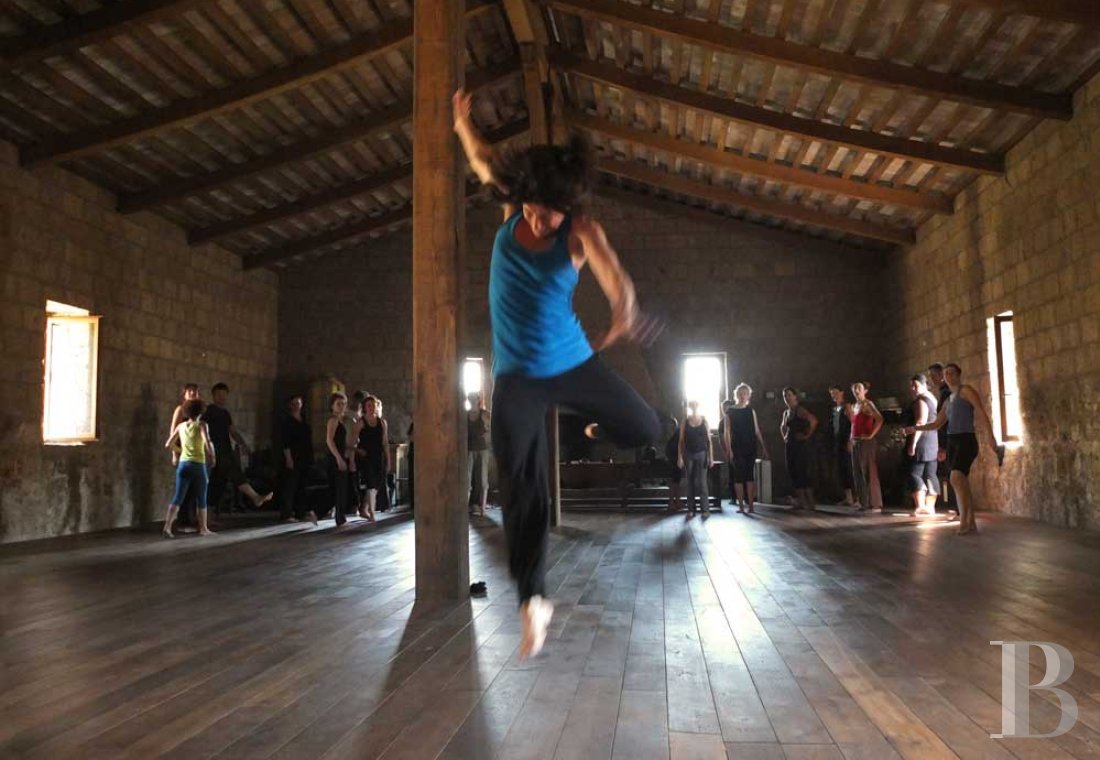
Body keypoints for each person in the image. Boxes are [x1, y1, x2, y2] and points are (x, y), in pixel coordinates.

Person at [454, 87, 661, 660]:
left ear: (567, 206)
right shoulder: (511, 209)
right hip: (518, 378)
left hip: (573, 365)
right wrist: (461, 123)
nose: (536, 217)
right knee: (521, 485)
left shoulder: (580, 233)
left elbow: (619, 283)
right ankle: (532, 600)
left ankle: (594, 427)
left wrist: (623, 318)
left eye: (548, 210)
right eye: (530, 206)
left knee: (647, 429)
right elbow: (483, 161)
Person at [906, 363, 1002, 535]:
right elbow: (937, 423)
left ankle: (966, 522)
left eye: (951, 373)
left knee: (956, 477)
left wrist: (990, 436)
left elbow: (980, 412)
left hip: (966, 439)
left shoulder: (966, 391)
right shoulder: (948, 399)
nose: (949, 376)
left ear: (958, 374)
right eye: (946, 373)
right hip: (953, 441)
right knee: (959, 482)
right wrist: (916, 429)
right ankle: (969, 522)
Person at [201, 383, 272, 511]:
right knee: (234, 474)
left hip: (226, 449)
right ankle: (255, 497)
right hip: (214, 450)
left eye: (224, 395)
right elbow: (202, 429)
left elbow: (232, 431)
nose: (222, 398)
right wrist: (207, 449)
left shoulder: (225, 413)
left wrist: (242, 444)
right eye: (219, 395)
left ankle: (210, 514)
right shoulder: (209, 411)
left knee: (219, 482)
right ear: (213, 396)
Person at [163, 399, 215, 537]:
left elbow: (168, 445)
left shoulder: (181, 426)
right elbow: (207, 442)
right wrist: (212, 456)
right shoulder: (202, 425)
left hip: (183, 464)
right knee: (201, 497)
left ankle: (167, 526)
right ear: (201, 411)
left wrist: (181, 450)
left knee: (178, 497)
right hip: (198, 465)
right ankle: (203, 529)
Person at [722, 383, 769, 514]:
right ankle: (741, 506)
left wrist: (764, 447)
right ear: (736, 395)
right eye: (740, 393)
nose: (743, 396)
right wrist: (729, 449)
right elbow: (727, 432)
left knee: (749, 477)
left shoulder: (750, 411)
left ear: (749, 395)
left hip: (750, 447)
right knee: (738, 477)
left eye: (745, 393)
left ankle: (751, 506)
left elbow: (757, 430)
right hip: (737, 447)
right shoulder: (730, 411)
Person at [279, 395, 317, 524]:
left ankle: (300, 513)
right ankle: (286, 513)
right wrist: (289, 459)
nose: (296, 405)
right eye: (294, 403)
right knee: (290, 486)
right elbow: (286, 442)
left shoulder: (304, 420)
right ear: (290, 405)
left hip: (304, 457)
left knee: (302, 486)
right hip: (293, 457)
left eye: (298, 403)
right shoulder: (287, 422)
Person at [168, 383, 201, 531]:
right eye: (190, 391)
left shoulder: (198, 411)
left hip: (195, 454)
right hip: (183, 451)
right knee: (184, 488)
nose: (193, 393)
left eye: (195, 391)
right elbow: (173, 431)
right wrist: (175, 454)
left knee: (194, 487)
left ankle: (191, 519)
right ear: (185, 394)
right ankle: (182, 521)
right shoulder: (180, 410)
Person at [907, 374, 939, 516]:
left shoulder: (921, 401)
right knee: (930, 473)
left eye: (916, 385)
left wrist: (913, 443)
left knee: (915, 473)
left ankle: (921, 506)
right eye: (912, 385)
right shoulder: (933, 398)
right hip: (933, 440)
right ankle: (930, 506)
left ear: (924, 384)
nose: (913, 388)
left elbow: (921, 422)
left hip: (922, 441)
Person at [780, 387, 818, 510]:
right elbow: (782, 427)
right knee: (794, 472)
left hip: (801, 446)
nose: (787, 398)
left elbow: (813, 421)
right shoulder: (786, 412)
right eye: (785, 396)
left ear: (795, 396)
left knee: (803, 472)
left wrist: (807, 435)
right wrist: (785, 437)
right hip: (790, 445)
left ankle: (810, 503)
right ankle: (801, 501)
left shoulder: (799, 410)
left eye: (789, 395)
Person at [849, 381, 884, 512]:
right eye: (854, 388)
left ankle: (875, 503)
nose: (856, 390)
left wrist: (870, 435)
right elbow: (853, 425)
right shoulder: (854, 406)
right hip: (856, 441)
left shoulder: (867, 404)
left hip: (866, 442)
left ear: (864, 391)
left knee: (869, 471)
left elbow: (879, 419)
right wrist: (850, 439)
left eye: (858, 388)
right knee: (857, 472)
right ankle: (864, 502)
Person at [354, 395, 389, 522]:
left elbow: (385, 443)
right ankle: (372, 513)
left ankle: (364, 508)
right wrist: (358, 451)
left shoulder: (382, 422)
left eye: (373, 405)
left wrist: (388, 460)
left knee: (376, 484)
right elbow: (353, 442)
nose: (371, 407)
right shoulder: (361, 422)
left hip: (378, 457)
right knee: (371, 484)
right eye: (369, 405)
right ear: (364, 407)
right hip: (366, 457)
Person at [926, 362, 954, 512]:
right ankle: (956, 508)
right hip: (950, 438)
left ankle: (957, 508)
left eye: (932, 376)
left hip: (950, 439)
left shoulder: (946, 394)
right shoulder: (945, 393)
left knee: (953, 475)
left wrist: (942, 446)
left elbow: (942, 422)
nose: (931, 379)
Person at [677, 401, 712, 518]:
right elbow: (681, 441)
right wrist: (680, 458)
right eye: (692, 405)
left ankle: (705, 509)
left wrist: (711, 457)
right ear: (689, 407)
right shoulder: (685, 421)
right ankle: (691, 509)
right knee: (689, 482)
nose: (694, 407)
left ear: (699, 406)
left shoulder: (704, 421)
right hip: (688, 454)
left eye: (696, 405)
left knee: (702, 483)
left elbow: (709, 441)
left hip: (702, 454)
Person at [325, 392, 354, 528]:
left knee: (341, 488)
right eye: (338, 404)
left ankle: (340, 517)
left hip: (341, 456)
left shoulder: (342, 420)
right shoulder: (333, 420)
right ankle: (340, 518)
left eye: (343, 404)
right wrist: (338, 458)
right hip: (335, 457)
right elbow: (329, 440)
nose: (342, 406)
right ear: (332, 406)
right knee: (338, 488)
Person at [827, 385, 856, 506]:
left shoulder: (847, 406)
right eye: (832, 394)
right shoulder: (835, 409)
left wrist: (851, 440)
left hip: (846, 441)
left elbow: (853, 423)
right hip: (838, 442)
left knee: (850, 469)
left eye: (836, 393)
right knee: (842, 469)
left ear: (842, 393)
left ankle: (857, 498)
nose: (834, 396)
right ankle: (848, 497)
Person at [466, 392, 491, 517]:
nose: (472, 401)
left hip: (482, 449)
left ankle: (483, 508)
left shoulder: (484, 414)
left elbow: (490, 430)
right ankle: (466, 507)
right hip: (469, 449)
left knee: (482, 478)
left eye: (474, 399)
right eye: (470, 399)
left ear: (478, 400)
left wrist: (486, 437)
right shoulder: (465, 415)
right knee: (467, 478)